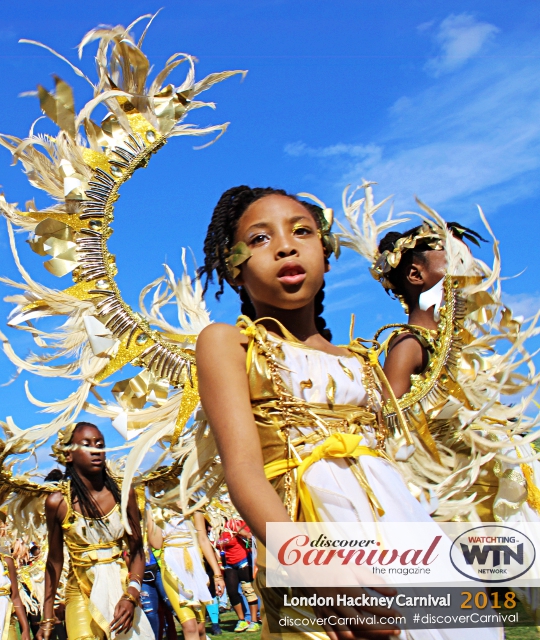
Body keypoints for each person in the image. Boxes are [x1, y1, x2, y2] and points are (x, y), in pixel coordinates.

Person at [195, 186, 499, 639]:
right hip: (309, 541)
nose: (284, 245)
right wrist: (321, 575)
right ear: (233, 268)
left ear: (327, 253)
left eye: (302, 231)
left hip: (402, 531)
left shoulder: (362, 361)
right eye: (259, 239)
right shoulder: (229, 343)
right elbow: (244, 473)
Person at [38, 422, 155, 640]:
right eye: (87, 444)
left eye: (100, 444)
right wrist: (47, 617)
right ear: (69, 455)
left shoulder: (124, 493)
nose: (96, 449)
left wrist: (131, 594)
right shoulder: (58, 503)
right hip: (80, 593)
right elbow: (54, 562)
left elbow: (137, 549)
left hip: (122, 589)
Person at [146, 507, 222, 640]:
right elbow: (156, 544)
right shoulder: (155, 503)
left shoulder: (192, 501)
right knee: (190, 626)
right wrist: (153, 511)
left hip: (195, 566)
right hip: (172, 568)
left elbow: (203, 539)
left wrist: (217, 574)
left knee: (200, 628)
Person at [213, 520, 258, 633]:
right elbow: (215, 548)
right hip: (228, 564)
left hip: (242, 561)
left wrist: (239, 530)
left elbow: (249, 536)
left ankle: (254, 621)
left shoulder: (232, 524)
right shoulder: (215, 531)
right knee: (232, 592)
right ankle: (241, 620)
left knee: (248, 590)